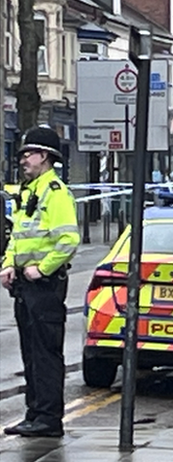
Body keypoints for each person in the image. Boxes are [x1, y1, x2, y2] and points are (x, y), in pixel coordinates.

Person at [1, 127, 80, 438]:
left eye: (28, 154)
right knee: (30, 354)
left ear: (44, 157)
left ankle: (48, 418)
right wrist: (9, 264)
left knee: (45, 354)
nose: (22, 159)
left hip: (44, 287)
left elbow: (69, 239)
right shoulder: (30, 191)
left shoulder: (56, 192)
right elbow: (18, 238)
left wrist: (43, 270)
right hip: (25, 286)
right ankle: (34, 413)